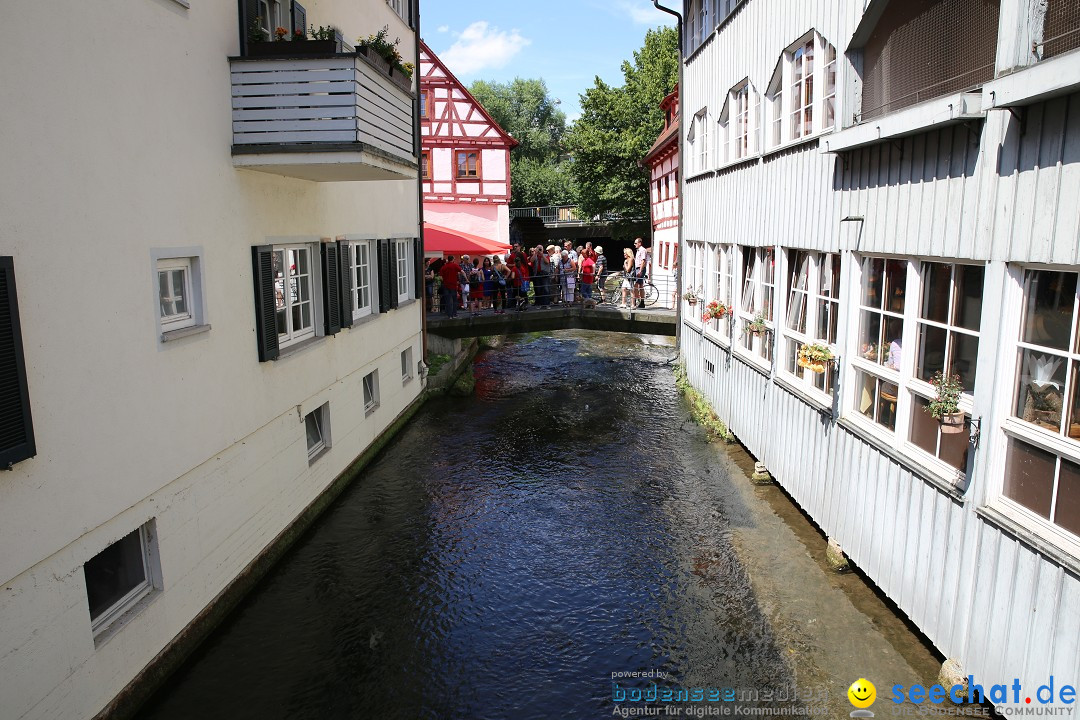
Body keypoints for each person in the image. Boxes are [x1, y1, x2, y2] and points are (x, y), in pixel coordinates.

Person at [633, 237, 649, 309]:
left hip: (640, 269)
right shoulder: (638, 250)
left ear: (639, 243)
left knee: (636, 286)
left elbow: (643, 261)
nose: (634, 244)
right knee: (640, 286)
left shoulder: (642, 250)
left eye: (636, 243)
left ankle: (635, 302)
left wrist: (640, 271)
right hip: (638, 268)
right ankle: (641, 302)